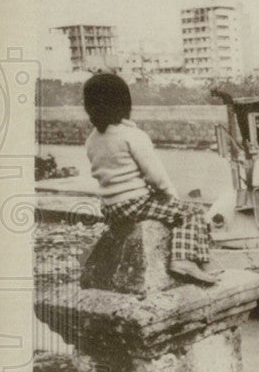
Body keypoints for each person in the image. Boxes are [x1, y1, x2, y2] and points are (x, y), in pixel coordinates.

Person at [83, 73, 220, 285]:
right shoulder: (132, 136)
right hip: (134, 203)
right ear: (124, 103)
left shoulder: (92, 139)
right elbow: (156, 176)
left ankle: (204, 261)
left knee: (180, 211)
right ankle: (183, 260)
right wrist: (172, 196)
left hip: (110, 207)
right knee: (191, 212)